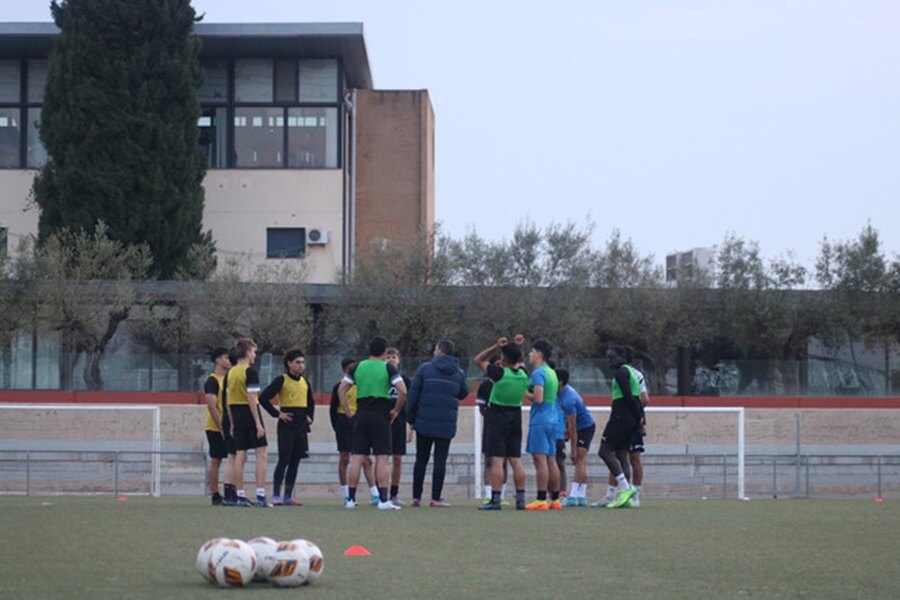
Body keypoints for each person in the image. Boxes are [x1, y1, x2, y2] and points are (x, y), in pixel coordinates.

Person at [338, 336, 408, 510]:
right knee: (382, 458)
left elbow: (341, 389)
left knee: (357, 458)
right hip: (380, 414)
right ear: (385, 352)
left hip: (361, 414)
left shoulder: (358, 367)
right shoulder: (388, 367)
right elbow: (403, 391)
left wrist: (348, 412)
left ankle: (350, 500)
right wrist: (396, 411)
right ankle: (383, 500)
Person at [406, 340, 470, 507]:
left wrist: (411, 420)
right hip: (446, 423)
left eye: (435, 348)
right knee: (440, 460)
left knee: (421, 459)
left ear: (440, 351)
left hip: (424, 421)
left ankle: (416, 497)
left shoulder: (425, 369)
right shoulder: (458, 372)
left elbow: (413, 395)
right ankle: (435, 497)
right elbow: (463, 393)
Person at [476, 336, 529, 511]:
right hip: (515, 416)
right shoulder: (523, 375)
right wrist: (516, 347)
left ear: (503, 359)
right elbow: (519, 361)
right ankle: (520, 499)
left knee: (497, 460)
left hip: (497, 416)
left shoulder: (498, 374)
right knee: (516, 459)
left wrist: (496, 346)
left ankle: (496, 499)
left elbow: (479, 359)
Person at [259, 348, 314, 506]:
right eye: (297, 362)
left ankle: (289, 495)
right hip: (287, 425)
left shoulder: (305, 381)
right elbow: (263, 398)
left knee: (296, 460)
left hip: (301, 425)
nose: (301, 365)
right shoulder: (281, 380)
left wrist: (310, 415)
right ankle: (276, 495)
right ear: (289, 363)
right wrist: (278, 414)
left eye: (303, 362)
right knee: (284, 459)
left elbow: (310, 402)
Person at [595, 346, 644, 509]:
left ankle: (625, 488)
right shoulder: (632, 372)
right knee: (621, 454)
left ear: (621, 357)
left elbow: (628, 396)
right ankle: (627, 498)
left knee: (604, 451)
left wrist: (636, 417)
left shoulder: (622, 372)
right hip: (629, 418)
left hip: (621, 416)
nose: (609, 361)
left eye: (612, 357)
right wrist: (639, 419)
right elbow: (637, 399)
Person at [225, 337, 271, 507]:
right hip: (250, 412)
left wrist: (231, 423)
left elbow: (228, 399)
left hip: (236, 413)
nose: (255, 356)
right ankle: (260, 496)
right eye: (253, 352)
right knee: (262, 453)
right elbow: (252, 397)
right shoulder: (249, 371)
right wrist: (258, 422)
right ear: (247, 353)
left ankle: (240, 496)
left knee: (240, 454)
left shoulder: (231, 372)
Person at [330, 358, 380, 506]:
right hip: (344, 422)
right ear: (345, 370)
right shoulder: (339, 387)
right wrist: (337, 427)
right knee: (344, 457)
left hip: (360, 421)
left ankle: (375, 494)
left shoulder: (361, 385)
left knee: (366, 459)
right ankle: (346, 494)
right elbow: (333, 409)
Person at [523, 340, 562, 511]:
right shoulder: (552, 372)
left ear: (539, 354)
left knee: (540, 460)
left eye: (531, 351)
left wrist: (523, 391)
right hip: (553, 418)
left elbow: (538, 398)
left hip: (541, 419)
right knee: (551, 459)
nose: (529, 355)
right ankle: (555, 499)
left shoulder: (538, 373)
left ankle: (540, 499)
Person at [555, 367, 596, 507]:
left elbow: (573, 427)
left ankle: (574, 496)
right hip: (579, 427)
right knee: (581, 461)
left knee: (579, 459)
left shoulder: (568, 399)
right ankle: (580, 497)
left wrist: (572, 449)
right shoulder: (560, 393)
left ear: (560, 382)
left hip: (585, 427)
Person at [477, 356, 510, 506]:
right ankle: (488, 493)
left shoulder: (509, 382)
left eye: (501, 364)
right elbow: (481, 407)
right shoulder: (485, 385)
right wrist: (492, 415)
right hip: (491, 426)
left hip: (507, 425)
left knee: (504, 461)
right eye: (496, 364)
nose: (499, 367)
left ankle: (502, 494)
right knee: (489, 460)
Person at [202, 347, 231, 505]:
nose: (229, 361)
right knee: (216, 460)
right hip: (215, 427)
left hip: (229, 425)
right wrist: (221, 427)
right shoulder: (212, 381)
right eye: (226, 358)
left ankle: (231, 492)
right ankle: (215, 494)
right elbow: (212, 406)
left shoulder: (229, 379)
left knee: (233, 459)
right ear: (218, 360)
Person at [386, 347, 412, 506]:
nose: (390, 359)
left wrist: (409, 425)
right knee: (382, 459)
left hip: (400, 423)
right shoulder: (381, 378)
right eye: (387, 357)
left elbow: (408, 404)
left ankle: (393, 494)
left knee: (398, 459)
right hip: (383, 423)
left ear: (399, 360)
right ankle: (379, 494)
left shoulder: (405, 381)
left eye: (393, 357)